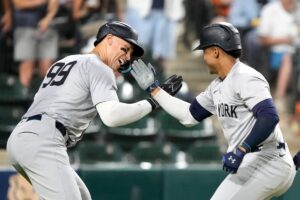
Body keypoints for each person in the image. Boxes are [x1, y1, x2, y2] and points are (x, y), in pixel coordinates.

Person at [6, 21, 182, 200]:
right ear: (109, 39)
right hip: (45, 139)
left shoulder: (65, 61)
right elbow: (111, 117)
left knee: (83, 197)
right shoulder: (100, 67)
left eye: (130, 53)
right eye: (125, 48)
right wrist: (153, 102)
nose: (128, 57)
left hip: (22, 138)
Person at [130, 22, 296, 199]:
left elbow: (269, 117)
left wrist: (241, 149)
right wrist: (155, 91)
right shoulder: (217, 85)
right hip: (256, 163)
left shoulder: (246, 77)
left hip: (269, 161)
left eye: (205, 51)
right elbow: (189, 116)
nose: (203, 57)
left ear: (216, 51)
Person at [12, 0, 59, 89]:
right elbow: (18, 3)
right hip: (25, 28)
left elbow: (54, 3)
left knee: (47, 71)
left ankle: (47, 100)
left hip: (47, 29)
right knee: (27, 70)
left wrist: (48, 18)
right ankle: (25, 100)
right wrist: (41, 2)